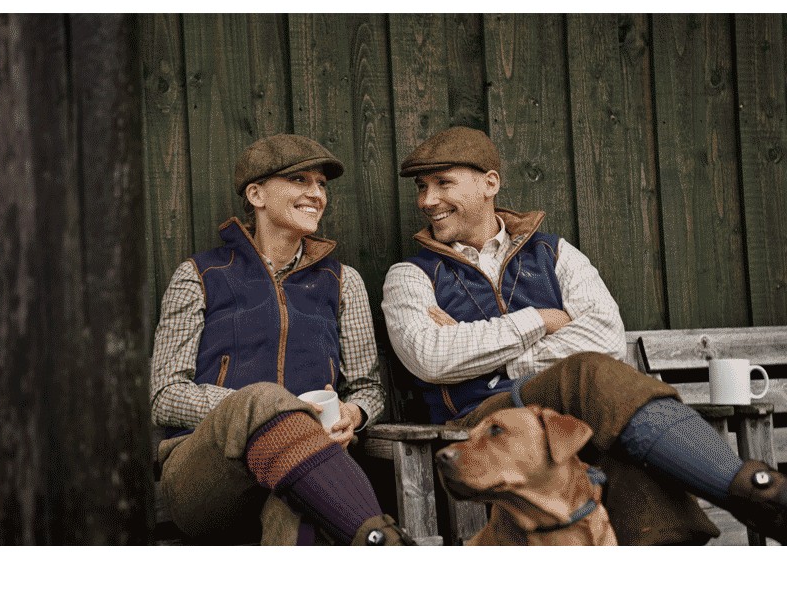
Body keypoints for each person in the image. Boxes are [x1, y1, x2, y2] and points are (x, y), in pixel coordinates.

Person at [382, 125, 787, 545]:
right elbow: (430, 357)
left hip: (569, 417)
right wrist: (542, 320)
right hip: (484, 422)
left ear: (490, 183)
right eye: (422, 187)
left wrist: (490, 352)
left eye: (443, 183)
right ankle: (762, 494)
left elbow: (606, 336)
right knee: (588, 374)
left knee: (618, 428)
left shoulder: (556, 254)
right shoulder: (410, 276)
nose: (427, 201)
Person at [151, 134, 413, 546]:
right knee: (264, 399)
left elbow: (368, 389)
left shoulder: (343, 282)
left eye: (321, 184)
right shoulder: (200, 275)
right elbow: (165, 394)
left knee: (298, 507)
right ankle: (385, 541)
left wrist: (353, 413)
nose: (316, 194)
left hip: (300, 468)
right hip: (205, 476)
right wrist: (265, 412)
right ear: (256, 194)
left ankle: (379, 543)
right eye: (299, 180)